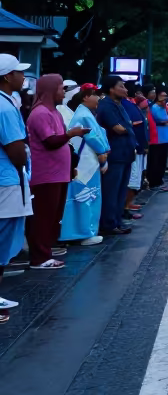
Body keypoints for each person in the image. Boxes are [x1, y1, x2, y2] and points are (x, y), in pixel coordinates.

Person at [24, 75, 90, 270]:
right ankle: (39, 257)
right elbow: (50, 141)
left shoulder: (55, 112)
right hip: (46, 175)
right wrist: (71, 134)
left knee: (53, 216)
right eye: (61, 88)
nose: (64, 92)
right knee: (43, 216)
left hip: (58, 173)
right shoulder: (41, 113)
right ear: (52, 91)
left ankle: (46, 251)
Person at [0, 54, 33, 322]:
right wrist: (23, 160)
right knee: (4, 236)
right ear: (6, 77)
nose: (23, 77)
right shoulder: (6, 107)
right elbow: (15, 149)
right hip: (7, 180)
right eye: (18, 72)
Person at [62, 85, 108, 246]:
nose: (98, 99)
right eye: (95, 95)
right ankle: (85, 232)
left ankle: (81, 231)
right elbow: (94, 137)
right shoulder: (83, 114)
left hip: (87, 158)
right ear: (85, 97)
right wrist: (104, 152)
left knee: (82, 195)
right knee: (87, 196)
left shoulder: (83, 113)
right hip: (86, 159)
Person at [97, 77, 137, 236]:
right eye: (122, 87)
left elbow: (126, 126)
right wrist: (129, 127)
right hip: (115, 154)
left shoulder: (119, 105)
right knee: (111, 191)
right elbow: (119, 128)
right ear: (111, 89)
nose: (126, 90)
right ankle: (108, 223)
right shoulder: (106, 105)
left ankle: (117, 220)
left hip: (125, 153)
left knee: (121, 190)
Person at [122, 85, 148, 217]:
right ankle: (125, 208)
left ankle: (128, 205)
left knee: (136, 177)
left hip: (139, 146)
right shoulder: (125, 104)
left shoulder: (131, 104)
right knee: (132, 178)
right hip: (133, 147)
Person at [146, 88, 168, 190]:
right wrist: (166, 120)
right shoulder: (155, 107)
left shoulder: (164, 107)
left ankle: (159, 180)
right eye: (162, 96)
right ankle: (155, 181)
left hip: (165, 137)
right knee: (156, 161)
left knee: (162, 161)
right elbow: (161, 119)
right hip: (158, 138)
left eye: (166, 96)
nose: (164, 98)